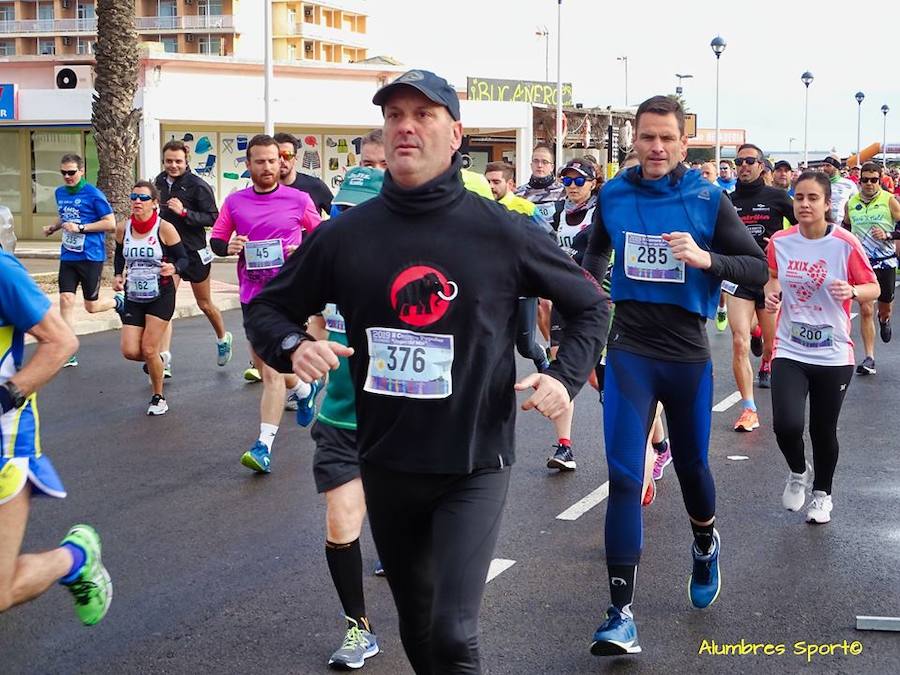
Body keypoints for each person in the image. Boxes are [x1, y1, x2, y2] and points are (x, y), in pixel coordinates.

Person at [246, 69, 607, 673]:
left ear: (455, 132)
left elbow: (590, 302)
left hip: (473, 461)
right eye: (395, 116)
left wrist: (563, 377)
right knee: (417, 629)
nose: (406, 126)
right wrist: (289, 345)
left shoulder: (503, 231)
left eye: (423, 114)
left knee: (453, 631)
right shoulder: (347, 236)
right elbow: (267, 305)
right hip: (386, 461)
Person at [582, 95, 767, 656]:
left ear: (684, 143)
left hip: (686, 353)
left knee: (691, 468)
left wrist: (707, 259)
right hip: (630, 348)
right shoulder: (613, 193)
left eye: (667, 138)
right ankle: (620, 614)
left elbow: (757, 267)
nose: (656, 148)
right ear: (633, 140)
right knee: (621, 473)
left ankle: (705, 540)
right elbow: (590, 264)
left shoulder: (708, 198)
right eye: (647, 137)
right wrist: (586, 334)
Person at [0, 249, 112, 625]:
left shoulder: (2, 271)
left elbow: (61, 341)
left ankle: (75, 558)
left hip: (6, 447)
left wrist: (6, 395)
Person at [765, 171, 878, 524]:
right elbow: (772, 278)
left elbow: (873, 287)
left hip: (833, 353)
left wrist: (854, 292)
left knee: (822, 430)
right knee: (786, 424)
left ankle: (822, 495)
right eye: (799, 198)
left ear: (828, 204)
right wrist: (771, 292)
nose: (804, 205)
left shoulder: (844, 243)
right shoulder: (780, 242)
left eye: (813, 198)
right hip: (790, 348)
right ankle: (798, 471)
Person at [306, 167, 385, 669]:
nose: (349, 221)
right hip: (340, 420)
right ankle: (359, 627)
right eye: (342, 211)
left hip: (403, 424)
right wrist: (310, 349)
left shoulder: (413, 271)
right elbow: (310, 318)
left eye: (360, 211)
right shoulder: (325, 264)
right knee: (341, 523)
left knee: (415, 537)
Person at [209, 134, 322, 473]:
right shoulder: (235, 202)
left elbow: (323, 238)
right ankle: (305, 387)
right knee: (262, 365)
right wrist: (229, 246)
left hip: (288, 296)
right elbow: (217, 239)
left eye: (274, 160)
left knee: (272, 373)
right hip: (252, 295)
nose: (269, 166)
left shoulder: (299, 199)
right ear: (249, 165)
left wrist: (298, 251)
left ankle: (263, 446)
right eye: (261, 161)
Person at [725, 144, 796, 432]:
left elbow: (805, 223)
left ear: (761, 166)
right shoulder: (726, 200)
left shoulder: (777, 197)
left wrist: (783, 239)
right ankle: (749, 409)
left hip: (770, 278)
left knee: (771, 346)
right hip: (739, 276)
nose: (743, 165)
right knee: (739, 341)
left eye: (749, 161)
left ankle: (765, 357)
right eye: (739, 161)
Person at [153, 140, 231, 379]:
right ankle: (164, 358)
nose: (173, 165)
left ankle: (222, 337)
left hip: (195, 252)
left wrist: (185, 213)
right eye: (169, 161)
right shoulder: (158, 183)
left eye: (178, 161)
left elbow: (214, 218)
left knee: (204, 304)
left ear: (186, 161)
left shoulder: (198, 186)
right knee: (166, 304)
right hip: (170, 253)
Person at [114, 181, 189, 416]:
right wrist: (118, 275)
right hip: (134, 295)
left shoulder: (164, 228)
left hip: (161, 294)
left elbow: (184, 259)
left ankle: (158, 397)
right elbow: (119, 255)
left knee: (148, 348)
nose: (137, 201)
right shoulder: (123, 228)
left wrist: (174, 268)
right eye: (134, 196)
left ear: (155, 203)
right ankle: (158, 360)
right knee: (129, 350)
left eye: (144, 198)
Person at [545, 158, 598, 471]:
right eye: (567, 180)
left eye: (579, 181)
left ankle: (657, 442)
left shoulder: (599, 215)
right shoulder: (555, 213)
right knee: (561, 369)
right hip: (563, 300)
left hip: (594, 302)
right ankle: (565, 447)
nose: (573, 187)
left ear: (592, 183)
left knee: (599, 379)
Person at [42, 153, 119, 368]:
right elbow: (65, 215)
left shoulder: (93, 194)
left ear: (82, 171)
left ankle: (118, 302)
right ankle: (69, 350)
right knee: (66, 300)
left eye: (72, 172)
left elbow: (110, 223)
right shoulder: (60, 193)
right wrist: (53, 227)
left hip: (90, 256)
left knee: (91, 307)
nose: (67, 177)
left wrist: (82, 228)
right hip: (68, 255)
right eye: (64, 173)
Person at [485, 161, 552, 373]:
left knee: (525, 347)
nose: (491, 187)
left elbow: (549, 239)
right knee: (492, 343)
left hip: (522, 286)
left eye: (496, 182)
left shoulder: (526, 208)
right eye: (487, 182)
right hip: (492, 288)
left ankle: (541, 358)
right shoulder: (479, 207)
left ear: (511, 184)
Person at [843, 161, 900, 374]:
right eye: (864, 180)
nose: (869, 184)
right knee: (866, 308)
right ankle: (869, 357)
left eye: (873, 180)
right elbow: (846, 226)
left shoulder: (890, 200)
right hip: (862, 262)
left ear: (880, 179)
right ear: (859, 181)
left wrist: (888, 235)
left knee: (883, 307)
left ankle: (885, 320)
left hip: (885, 260)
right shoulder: (852, 202)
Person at [274, 132, 334, 216]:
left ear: (296, 158)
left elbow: (338, 218)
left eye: (287, 155)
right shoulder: (263, 189)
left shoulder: (315, 185)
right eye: (277, 156)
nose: (282, 160)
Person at [515, 142, 566, 229]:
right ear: (531, 165)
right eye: (536, 161)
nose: (539, 165)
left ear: (552, 167)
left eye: (544, 162)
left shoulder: (564, 192)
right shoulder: (519, 193)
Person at [821, 154, 858, 224]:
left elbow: (856, 203)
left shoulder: (849, 184)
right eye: (824, 165)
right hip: (823, 224)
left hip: (842, 225)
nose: (825, 168)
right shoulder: (820, 184)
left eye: (828, 166)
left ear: (836, 168)